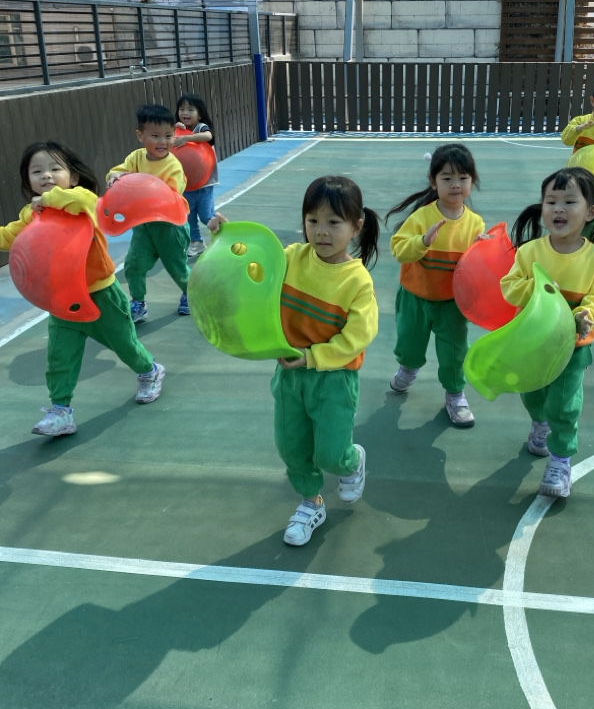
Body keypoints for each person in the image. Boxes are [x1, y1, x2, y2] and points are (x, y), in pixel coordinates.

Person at [210, 176, 380, 547]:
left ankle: (352, 461)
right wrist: (227, 240)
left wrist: (312, 357)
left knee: (331, 455)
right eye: (313, 220)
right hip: (289, 374)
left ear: (356, 226)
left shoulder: (357, 281)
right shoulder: (292, 257)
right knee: (292, 447)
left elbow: (358, 337)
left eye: (333, 222)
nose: (321, 231)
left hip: (333, 378)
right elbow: (254, 270)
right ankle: (310, 503)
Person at [1, 142, 165, 437]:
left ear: (73, 177)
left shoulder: (83, 200)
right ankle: (60, 410)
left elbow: (80, 201)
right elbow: (10, 237)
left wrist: (48, 199)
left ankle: (150, 370)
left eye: (55, 169)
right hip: (61, 301)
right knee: (60, 357)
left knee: (126, 346)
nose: (46, 175)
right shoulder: (32, 214)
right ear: (28, 181)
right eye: (37, 172)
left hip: (101, 296)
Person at [501, 167, 594, 499]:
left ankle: (560, 460)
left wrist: (585, 315)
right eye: (551, 201)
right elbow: (509, 287)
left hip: (572, 346)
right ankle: (540, 423)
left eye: (570, 201)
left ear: (590, 212)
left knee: (564, 404)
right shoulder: (530, 252)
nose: (559, 209)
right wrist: (536, 288)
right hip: (532, 341)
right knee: (532, 394)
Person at [387, 143, 486, 428]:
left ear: (472, 181)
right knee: (409, 345)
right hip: (415, 298)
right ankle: (408, 367)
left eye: (463, 178)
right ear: (434, 182)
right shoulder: (422, 217)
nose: (456, 184)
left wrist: (482, 252)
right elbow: (399, 250)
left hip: (451, 303)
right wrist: (423, 241)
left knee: (455, 352)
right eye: (447, 178)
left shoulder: (476, 224)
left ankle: (455, 395)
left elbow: (477, 268)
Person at [107, 104, 191, 320]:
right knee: (134, 264)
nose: (163, 142)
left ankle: (191, 293)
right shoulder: (136, 158)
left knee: (177, 267)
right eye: (155, 136)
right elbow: (119, 171)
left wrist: (144, 191)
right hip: (144, 226)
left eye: (168, 136)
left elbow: (171, 194)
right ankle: (138, 302)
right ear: (140, 136)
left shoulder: (173, 166)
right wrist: (115, 176)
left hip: (170, 226)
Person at [174, 92, 217, 259]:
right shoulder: (178, 129)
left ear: (199, 114)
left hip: (205, 183)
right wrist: (176, 129)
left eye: (190, 109)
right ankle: (197, 242)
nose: (185, 113)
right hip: (186, 183)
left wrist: (187, 138)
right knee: (189, 215)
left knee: (206, 216)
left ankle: (222, 231)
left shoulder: (200, 128)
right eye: (182, 109)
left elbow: (208, 136)